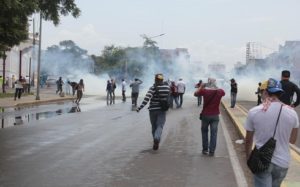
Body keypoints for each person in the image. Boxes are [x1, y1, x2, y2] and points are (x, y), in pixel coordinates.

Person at [245, 78, 299, 187]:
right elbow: (292, 140)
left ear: (265, 92)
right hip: (282, 162)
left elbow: (248, 140)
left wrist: (248, 158)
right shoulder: (292, 113)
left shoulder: (254, 112)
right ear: (280, 93)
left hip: (261, 161)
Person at [136, 74, 170, 150]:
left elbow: (147, 98)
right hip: (162, 110)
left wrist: (140, 108)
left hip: (152, 110)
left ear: (155, 79)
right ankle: (157, 138)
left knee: (154, 126)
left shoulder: (153, 87)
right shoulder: (167, 88)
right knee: (160, 125)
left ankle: (155, 139)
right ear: (162, 80)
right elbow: (168, 99)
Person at [194, 78, 225, 156]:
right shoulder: (220, 91)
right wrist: (215, 86)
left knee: (204, 132)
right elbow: (223, 92)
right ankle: (212, 151)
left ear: (208, 83)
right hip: (215, 115)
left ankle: (205, 150)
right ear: (215, 83)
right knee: (214, 133)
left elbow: (195, 94)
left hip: (205, 115)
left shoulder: (205, 91)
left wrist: (201, 86)